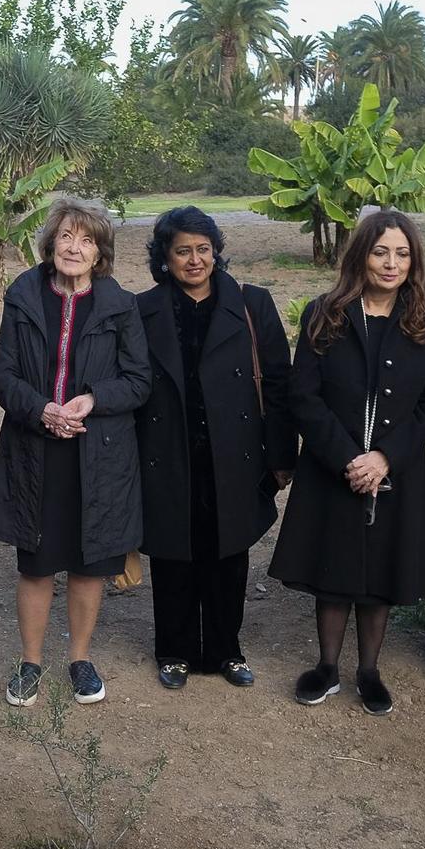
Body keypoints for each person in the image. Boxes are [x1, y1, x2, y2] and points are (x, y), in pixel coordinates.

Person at [271, 210, 425, 715]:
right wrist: (349, 458)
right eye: (380, 252)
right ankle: (327, 667)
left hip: (398, 470)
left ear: (413, 259)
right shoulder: (323, 312)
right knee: (334, 569)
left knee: (380, 574)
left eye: (401, 253)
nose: (391, 263)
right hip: (334, 469)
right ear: (360, 256)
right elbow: (303, 396)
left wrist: (384, 459)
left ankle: (368, 671)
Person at [0, 197, 151, 706]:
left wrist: (93, 399)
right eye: (66, 237)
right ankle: (30, 663)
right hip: (36, 450)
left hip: (97, 452)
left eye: (87, 240)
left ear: (100, 253)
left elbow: (139, 381)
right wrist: (42, 411)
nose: (75, 248)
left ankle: (80, 658)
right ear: (50, 243)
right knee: (35, 563)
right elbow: (3, 377)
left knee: (89, 561)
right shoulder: (23, 296)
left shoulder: (121, 304)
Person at [134, 207, 295, 690]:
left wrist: (282, 457)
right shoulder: (142, 309)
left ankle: (227, 650)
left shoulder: (253, 304)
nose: (195, 260)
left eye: (203, 249)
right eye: (183, 250)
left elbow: (281, 386)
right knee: (172, 554)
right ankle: (175, 652)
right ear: (165, 257)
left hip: (235, 451)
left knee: (229, 554)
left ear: (216, 252)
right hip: (168, 450)